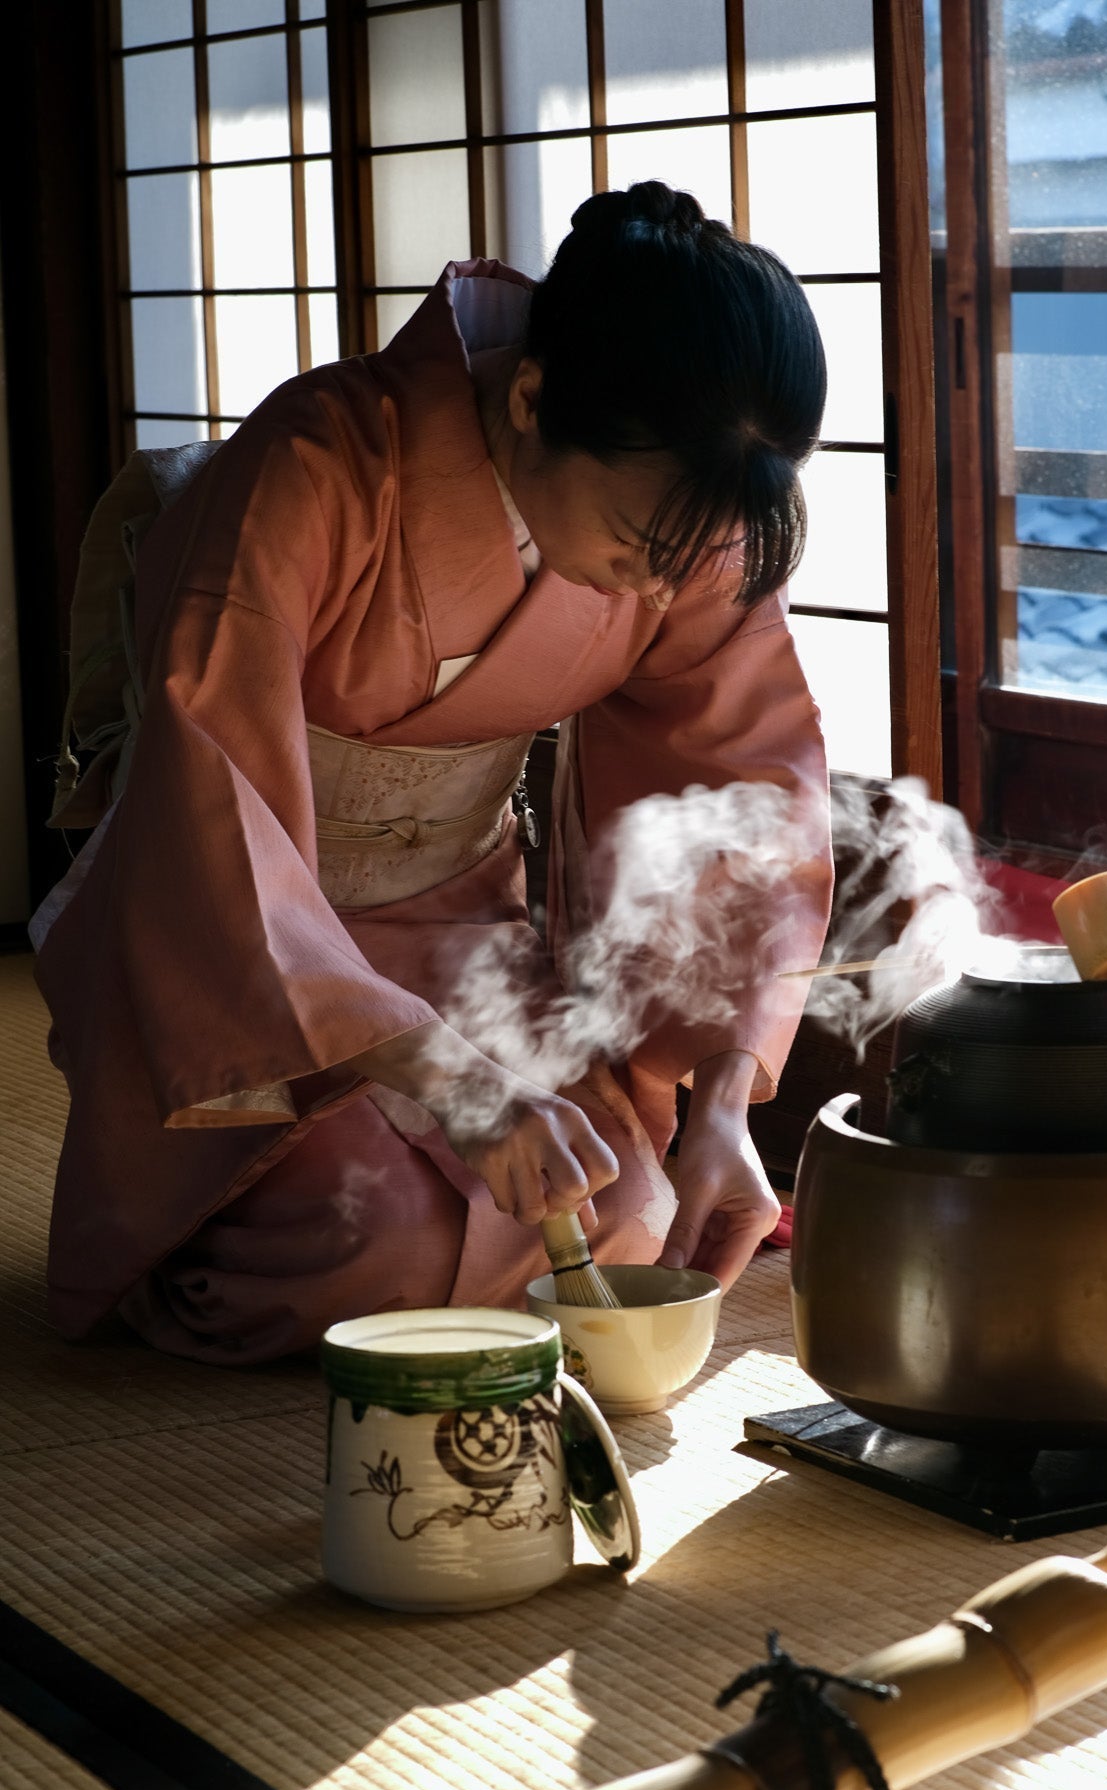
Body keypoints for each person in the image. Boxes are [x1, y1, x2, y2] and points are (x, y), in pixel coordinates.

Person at [33, 180, 834, 1365]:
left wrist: (720, 1099)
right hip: (254, 934)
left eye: (689, 557)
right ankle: (165, 1256)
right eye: (636, 545)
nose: (662, 590)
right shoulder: (313, 467)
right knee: (381, 1240)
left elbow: (738, 794)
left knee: (623, 1202)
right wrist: (445, 1076)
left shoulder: (691, 506)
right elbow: (211, 800)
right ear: (530, 398)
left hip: (461, 918)